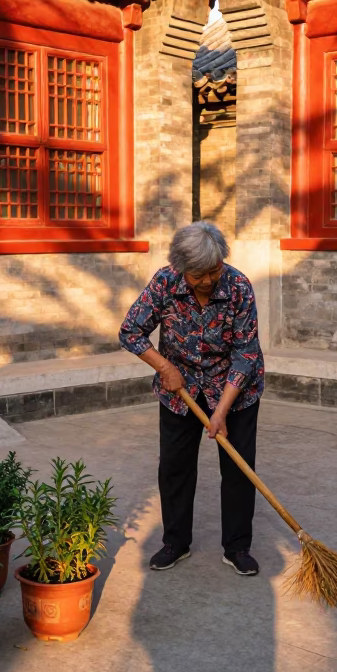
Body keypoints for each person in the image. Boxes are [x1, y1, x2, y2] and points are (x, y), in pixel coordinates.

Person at [119, 221, 264, 576]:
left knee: (238, 469)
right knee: (175, 467)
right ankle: (175, 542)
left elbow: (246, 353)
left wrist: (222, 411)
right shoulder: (165, 282)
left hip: (235, 390)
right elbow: (130, 330)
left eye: (214, 271)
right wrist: (164, 367)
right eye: (198, 275)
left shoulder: (239, 286)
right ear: (182, 268)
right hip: (179, 390)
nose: (208, 281)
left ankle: (237, 547)